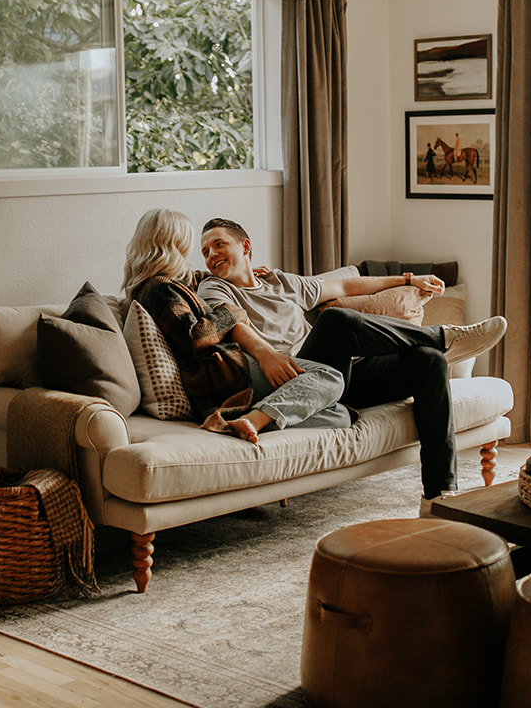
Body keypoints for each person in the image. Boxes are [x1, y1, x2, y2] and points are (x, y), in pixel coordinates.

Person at [195, 217, 507, 511]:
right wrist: (266, 355)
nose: (211, 255)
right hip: (297, 378)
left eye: (219, 244)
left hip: (341, 377)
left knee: (430, 361)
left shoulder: (281, 282)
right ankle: (441, 336)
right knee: (334, 319)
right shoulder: (214, 287)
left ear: (245, 246)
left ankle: (439, 497)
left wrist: (409, 279)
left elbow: (346, 287)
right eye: (205, 251)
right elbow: (234, 324)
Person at [121, 208, 349, 444]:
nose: (189, 251)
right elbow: (195, 336)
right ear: (172, 243)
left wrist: (246, 270)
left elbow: (195, 278)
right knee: (329, 376)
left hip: (225, 368)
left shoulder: (168, 283)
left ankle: (246, 422)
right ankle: (254, 419)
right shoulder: (156, 289)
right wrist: (232, 311)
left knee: (340, 415)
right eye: (186, 243)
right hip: (224, 372)